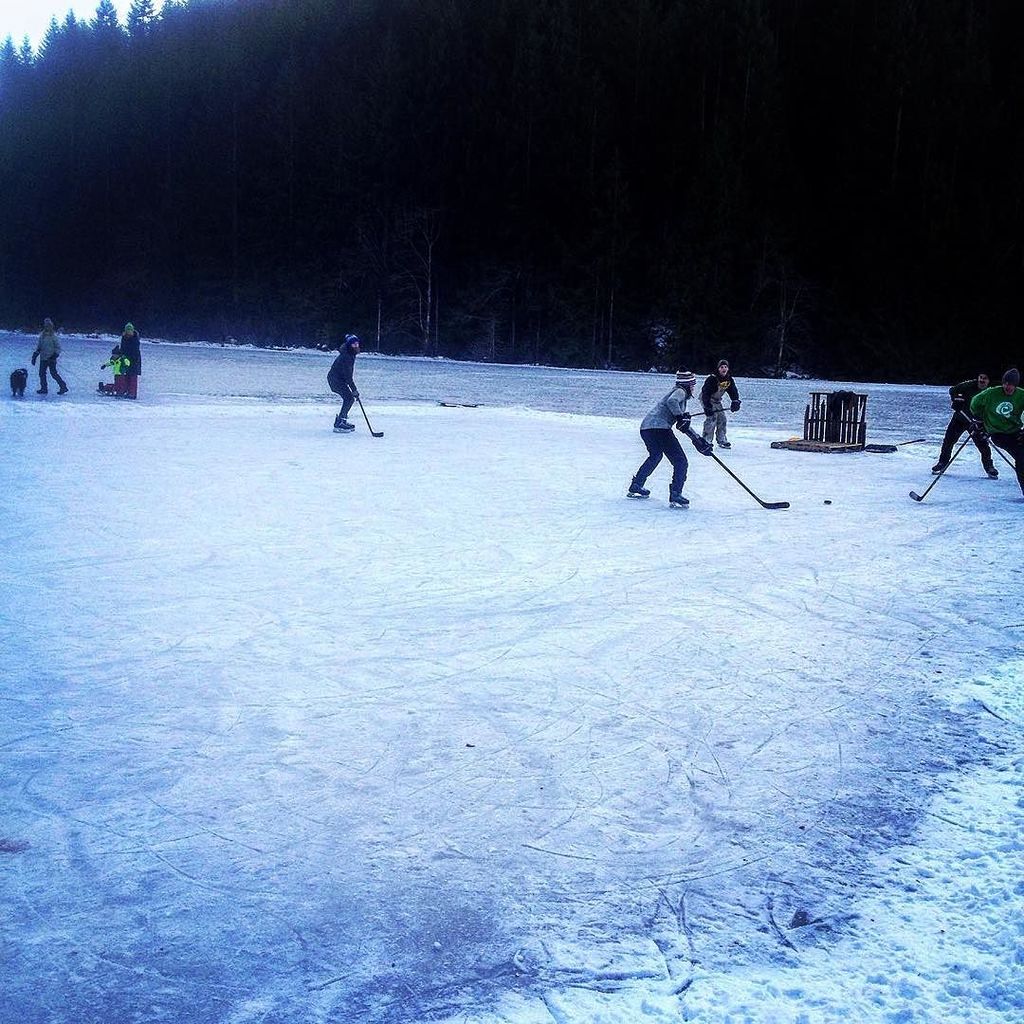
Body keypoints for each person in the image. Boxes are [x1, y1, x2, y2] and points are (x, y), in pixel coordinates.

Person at [628, 369, 712, 508]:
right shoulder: (681, 392)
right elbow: (672, 402)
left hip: (647, 428)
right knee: (680, 461)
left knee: (655, 456)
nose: (693, 387)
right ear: (687, 384)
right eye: (692, 384)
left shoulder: (680, 395)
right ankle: (676, 494)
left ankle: (636, 485)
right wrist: (680, 417)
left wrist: (697, 439)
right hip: (659, 429)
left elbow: (682, 425)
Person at [969, 368, 1024, 497]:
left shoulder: (1021, 395)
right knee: (1021, 456)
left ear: (1015, 385)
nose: (1007, 386)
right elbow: (974, 403)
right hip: (998, 433)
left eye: (1010, 384)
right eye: (1005, 383)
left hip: (1016, 432)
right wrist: (978, 419)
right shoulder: (991, 393)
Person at [932, 372, 997, 477]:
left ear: (989, 381)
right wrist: (957, 399)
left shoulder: (991, 392)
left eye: (985, 379)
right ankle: (942, 463)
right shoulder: (967, 385)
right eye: (980, 377)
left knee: (983, 445)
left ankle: (989, 467)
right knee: (949, 441)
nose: (982, 380)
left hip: (977, 423)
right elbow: (952, 390)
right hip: (960, 419)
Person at [700, 359, 741, 449]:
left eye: (725, 367)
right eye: (721, 367)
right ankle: (707, 440)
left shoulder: (729, 379)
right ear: (718, 369)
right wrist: (707, 406)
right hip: (706, 399)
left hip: (717, 400)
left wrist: (735, 401)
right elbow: (705, 393)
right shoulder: (712, 379)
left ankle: (722, 439)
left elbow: (733, 391)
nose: (724, 369)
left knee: (722, 419)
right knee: (712, 418)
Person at [328, 334, 361, 431]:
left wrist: (354, 390)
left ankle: (342, 420)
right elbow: (348, 377)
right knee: (349, 398)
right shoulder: (346, 356)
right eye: (354, 344)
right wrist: (354, 390)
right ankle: (340, 422)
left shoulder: (350, 354)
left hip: (338, 380)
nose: (356, 346)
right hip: (335, 380)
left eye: (357, 344)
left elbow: (348, 376)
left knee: (349, 398)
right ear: (349, 345)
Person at [31, 318, 68, 395]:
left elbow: (58, 348)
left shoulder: (54, 336)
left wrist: (54, 356)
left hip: (51, 359)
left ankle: (63, 387)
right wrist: (35, 355)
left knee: (54, 374)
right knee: (42, 374)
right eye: (46, 326)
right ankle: (44, 388)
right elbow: (39, 347)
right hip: (43, 358)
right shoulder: (42, 335)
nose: (47, 327)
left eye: (49, 326)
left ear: (51, 326)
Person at [119, 323, 142, 399]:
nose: (128, 333)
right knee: (126, 376)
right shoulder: (124, 338)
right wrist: (122, 356)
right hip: (125, 359)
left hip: (134, 360)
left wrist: (132, 359)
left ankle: (132, 393)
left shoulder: (135, 338)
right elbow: (122, 348)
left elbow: (135, 350)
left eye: (129, 331)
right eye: (127, 331)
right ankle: (126, 390)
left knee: (133, 377)